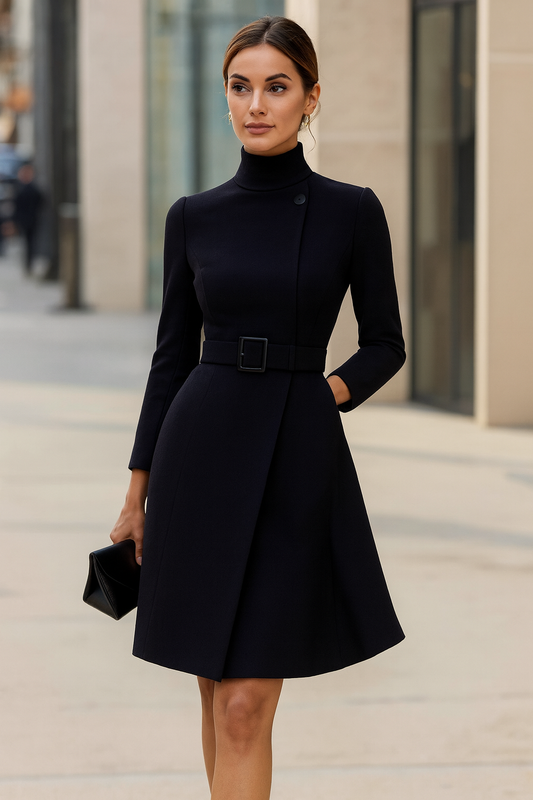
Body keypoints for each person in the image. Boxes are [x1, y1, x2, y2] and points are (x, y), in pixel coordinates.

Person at [110, 16, 406, 800]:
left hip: (293, 460)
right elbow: (171, 358)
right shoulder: (193, 216)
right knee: (214, 692)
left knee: (245, 705)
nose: (256, 105)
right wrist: (135, 495)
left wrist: (324, 393)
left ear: (311, 98)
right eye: (240, 87)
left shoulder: (351, 210)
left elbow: (385, 343)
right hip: (198, 451)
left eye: (277, 87)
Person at [12, 162, 43, 275]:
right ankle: (27, 264)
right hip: (24, 219)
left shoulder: (32, 188)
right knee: (26, 243)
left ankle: (29, 264)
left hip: (31, 219)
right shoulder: (20, 187)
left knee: (30, 243)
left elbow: (39, 201)